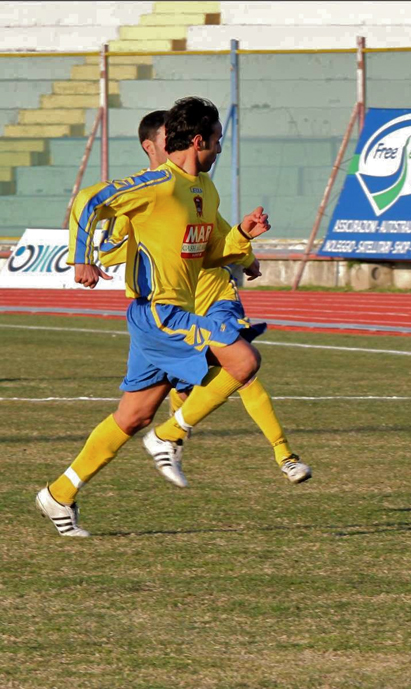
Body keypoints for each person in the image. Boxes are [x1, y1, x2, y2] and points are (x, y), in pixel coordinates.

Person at [36, 97, 271, 537]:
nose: (220, 149)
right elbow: (90, 200)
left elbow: (209, 256)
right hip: (158, 313)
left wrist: (241, 236)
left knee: (134, 416)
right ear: (198, 140)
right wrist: (81, 258)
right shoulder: (158, 184)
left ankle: (59, 493)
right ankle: (169, 437)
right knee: (244, 360)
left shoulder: (205, 190)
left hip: (169, 315)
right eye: (217, 140)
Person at [98, 110, 311, 488]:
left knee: (241, 364)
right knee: (141, 411)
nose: (176, 144)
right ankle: (64, 491)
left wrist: (245, 248)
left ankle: (282, 453)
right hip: (165, 308)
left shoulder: (198, 188)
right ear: (152, 146)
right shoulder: (143, 195)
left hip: (212, 294)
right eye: (168, 138)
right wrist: (123, 244)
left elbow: (216, 234)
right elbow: (110, 248)